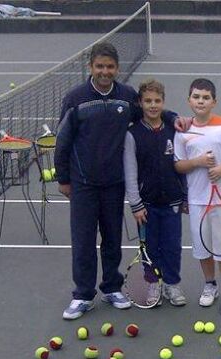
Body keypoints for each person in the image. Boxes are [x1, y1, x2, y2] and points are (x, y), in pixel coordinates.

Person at [55, 42, 182, 320]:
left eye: (110, 67)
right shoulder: (75, 99)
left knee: (112, 239)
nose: (104, 71)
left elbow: (151, 112)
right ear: (91, 67)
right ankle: (83, 295)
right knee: (84, 240)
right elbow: (62, 141)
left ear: (117, 69)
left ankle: (112, 288)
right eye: (99, 66)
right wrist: (63, 177)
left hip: (114, 184)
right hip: (83, 183)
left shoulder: (126, 97)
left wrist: (172, 116)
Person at [173, 78, 221, 315]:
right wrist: (199, 162)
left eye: (206, 97)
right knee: (203, 249)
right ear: (189, 100)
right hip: (197, 200)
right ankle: (210, 286)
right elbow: (179, 165)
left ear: (214, 102)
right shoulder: (183, 131)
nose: (200, 101)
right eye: (196, 97)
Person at [123, 79, 188, 307]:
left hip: (172, 202)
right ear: (140, 103)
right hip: (146, 206)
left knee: (172, 245)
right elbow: (130, 172)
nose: (152, 105)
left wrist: (185, 196)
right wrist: (136, 204)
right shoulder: (133, 135)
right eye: (148, 101)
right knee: (149, 248)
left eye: (157, 101)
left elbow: (182, 166)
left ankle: (171, 283)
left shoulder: (173, 130)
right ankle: (153, 283)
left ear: (163, 102)